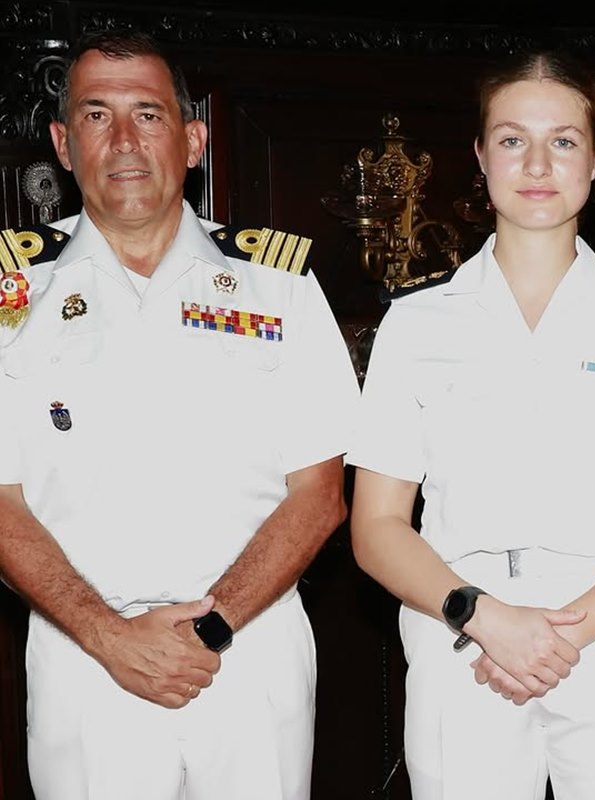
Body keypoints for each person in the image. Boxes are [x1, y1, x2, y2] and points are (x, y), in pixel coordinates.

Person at [348, 50, 595, 800]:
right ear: (480, 156)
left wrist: (561, 635)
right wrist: (487, 618)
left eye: (562, 140)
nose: (536, 162)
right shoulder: (415, 322)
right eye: (511, 139)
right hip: (460, 637)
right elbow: (377, 526)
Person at [0, 29, 359, 799]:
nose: (124, 140)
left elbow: (320, 494)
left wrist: (213, 626)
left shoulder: (280, 286)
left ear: (193, 138)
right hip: (85, 659)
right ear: (64, 144)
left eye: (149, 115)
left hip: (247, 649)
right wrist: (109, 637)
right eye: (97, 116)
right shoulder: (8, 293)